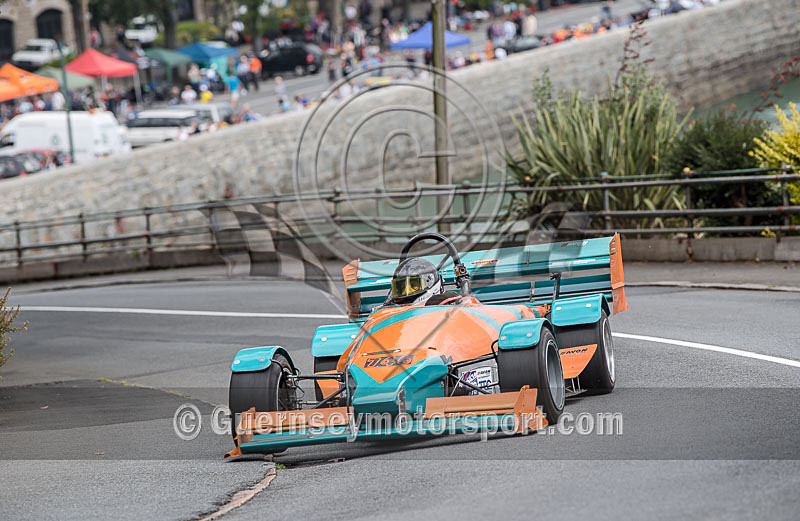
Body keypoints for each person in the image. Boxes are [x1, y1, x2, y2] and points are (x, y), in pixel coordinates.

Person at [389, 258, 459, 306]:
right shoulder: (390, 309)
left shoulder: (451, 306)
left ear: (430, 282)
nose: (406, 291)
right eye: (401, 288)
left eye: (414, 285)